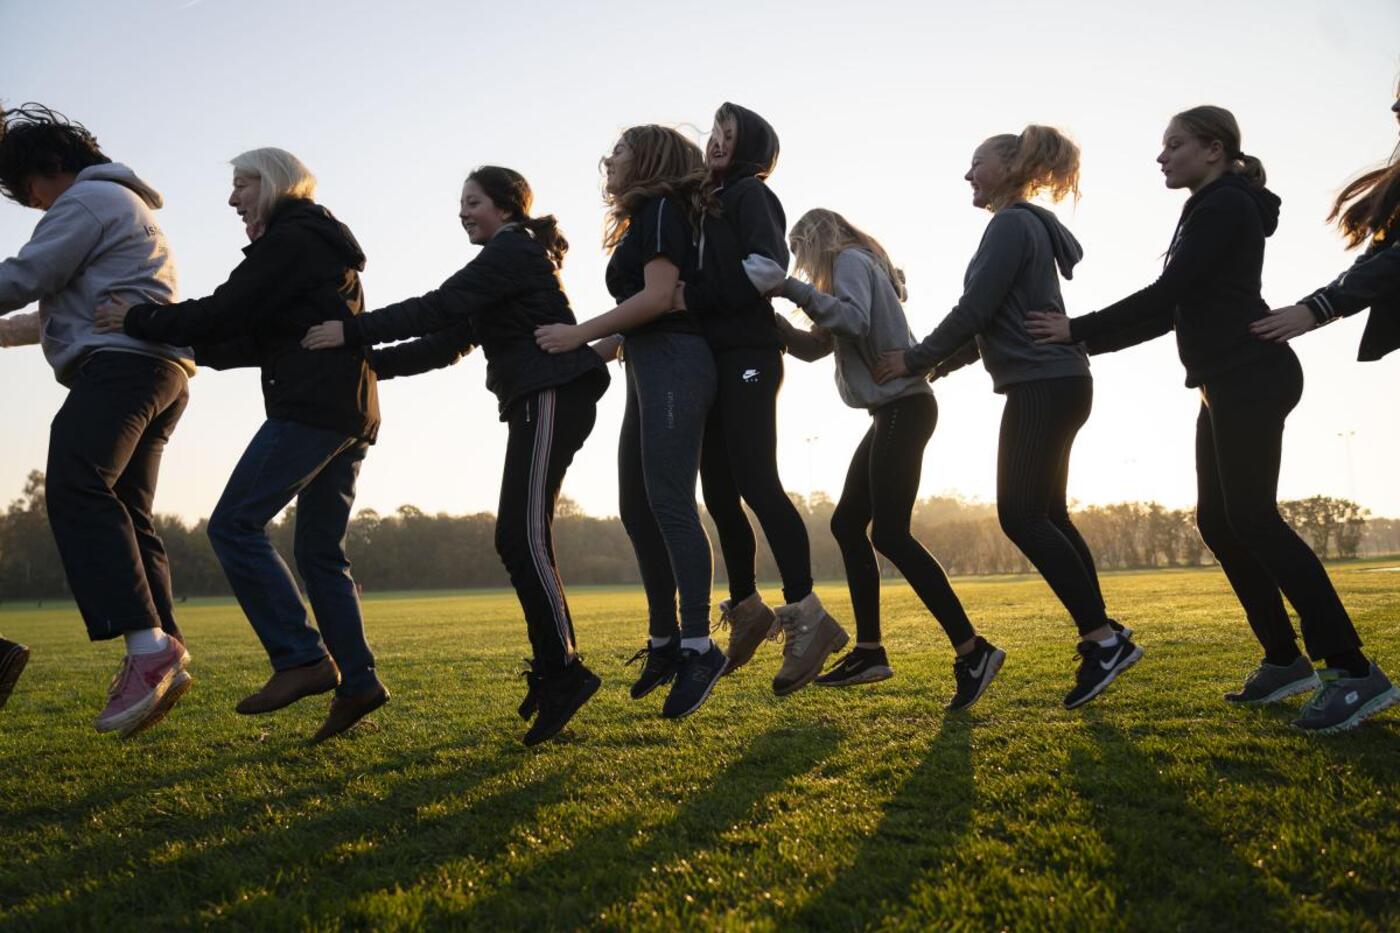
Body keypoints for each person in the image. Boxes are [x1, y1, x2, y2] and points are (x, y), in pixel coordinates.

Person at [1028, 106, 1395, 733]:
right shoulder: (1210, 203)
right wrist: (1081, 340)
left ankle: (1353, 671)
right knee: (1220, 524)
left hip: (1252, 374)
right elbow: (1174, 306)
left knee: (1251, 518)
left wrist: (1079, 328)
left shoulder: (1224, 203)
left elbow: (1167, 294)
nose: (1162, 156)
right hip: (1222, 379)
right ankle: (1284, 660)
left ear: (1214, 149)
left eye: (1175, 144)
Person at [301, 166, 610, 747]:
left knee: (523, 538)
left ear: (508, 206)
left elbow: (437, 307)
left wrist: (351, 333)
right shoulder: (505, 264)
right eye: (461, 203)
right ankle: (557, 671)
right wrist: (364, 364)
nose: (463, 212)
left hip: (550, 392)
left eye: (473, 202)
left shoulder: (512, 250)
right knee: (517, 539)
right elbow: (446, 345)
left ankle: (562, 674)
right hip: (535, 398)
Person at [95, 147, 386, 743]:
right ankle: (358, 682)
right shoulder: (313, 245)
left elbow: (226, 309)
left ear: (274, 182)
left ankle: (301, 659)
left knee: (234, 526)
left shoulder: (294, 238)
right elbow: (257, 337)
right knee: (321, 555)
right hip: (349, 411)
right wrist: (179, 348)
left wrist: (138, 320)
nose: (233, 200)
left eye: (242, 185)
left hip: (311, 410)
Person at [874, 125, 1138, 710]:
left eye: (976, 163)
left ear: (1010, 167)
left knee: (1020, 516)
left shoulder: (1011, 223)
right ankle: (1106, 636)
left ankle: (1102, 638)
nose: (968, 175)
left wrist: (916, 358)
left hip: (1043, 384)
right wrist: (939, 368)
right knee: (1048, 515)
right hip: (1060, 380)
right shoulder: (1025, 226)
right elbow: (993, 321)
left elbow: (974, 309)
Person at [0, 103, 193, 737]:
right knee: (128, 511)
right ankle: (163, 643)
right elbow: (58, 311)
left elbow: (27, 276)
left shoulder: (85, 202)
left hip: (120, 371)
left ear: (53, 166)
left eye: (26, 187)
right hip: (160, 374)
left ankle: (147, 649)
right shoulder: (123, 205)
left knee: (76, 485)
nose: (31, 204)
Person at [771, 208, 1004, 710]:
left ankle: (973, 651)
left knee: (890, 534)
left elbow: (851, 320)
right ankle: (870, 651)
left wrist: (790, 290)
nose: (802, 265)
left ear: (817, 239)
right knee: (848, 524)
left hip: (904, 407)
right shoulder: (851, 272)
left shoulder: (850, 261)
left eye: (800, 252)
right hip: (889, 412)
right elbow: (818, 345)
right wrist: (770, 320)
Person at [534, 125, 730, 719]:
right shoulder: (649, 216)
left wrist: (577, 332)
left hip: (675, 361)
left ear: (647, 158)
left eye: (619, 151)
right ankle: (665, 641)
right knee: (635, 505)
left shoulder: (666, 208)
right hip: (648, 362)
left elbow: (659, 297)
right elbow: (640, 316)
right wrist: (590, 350)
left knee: (669, 502)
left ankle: (699, 645)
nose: (608, 160)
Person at [676, 102, 850, 689]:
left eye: (729, 135)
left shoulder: (751, 194)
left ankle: (808, 614)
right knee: (718, 491)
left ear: (750, 145)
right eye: (713, 135)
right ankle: (749, 609)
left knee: (757, 484)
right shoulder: (708, 204)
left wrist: (689, 297)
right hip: (716, 363)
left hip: (749, 357)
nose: (716, 143)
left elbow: (766, 269)